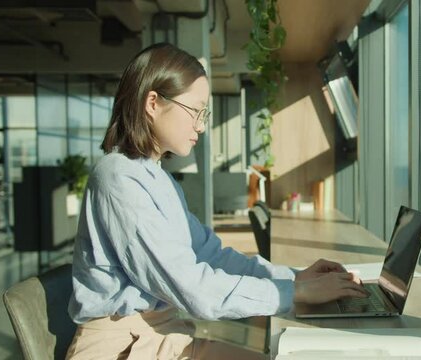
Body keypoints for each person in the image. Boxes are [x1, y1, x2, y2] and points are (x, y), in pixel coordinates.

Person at [65, 43, 368, 360]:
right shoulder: (118, 178)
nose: (200, 125)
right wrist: (297, 292)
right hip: (122, 347)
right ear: (152, 102)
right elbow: (191, 287)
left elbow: (211, 255)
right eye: (194, 111)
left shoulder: (156, 178)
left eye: (204, 113)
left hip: (158, 335)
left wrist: (294, 277)